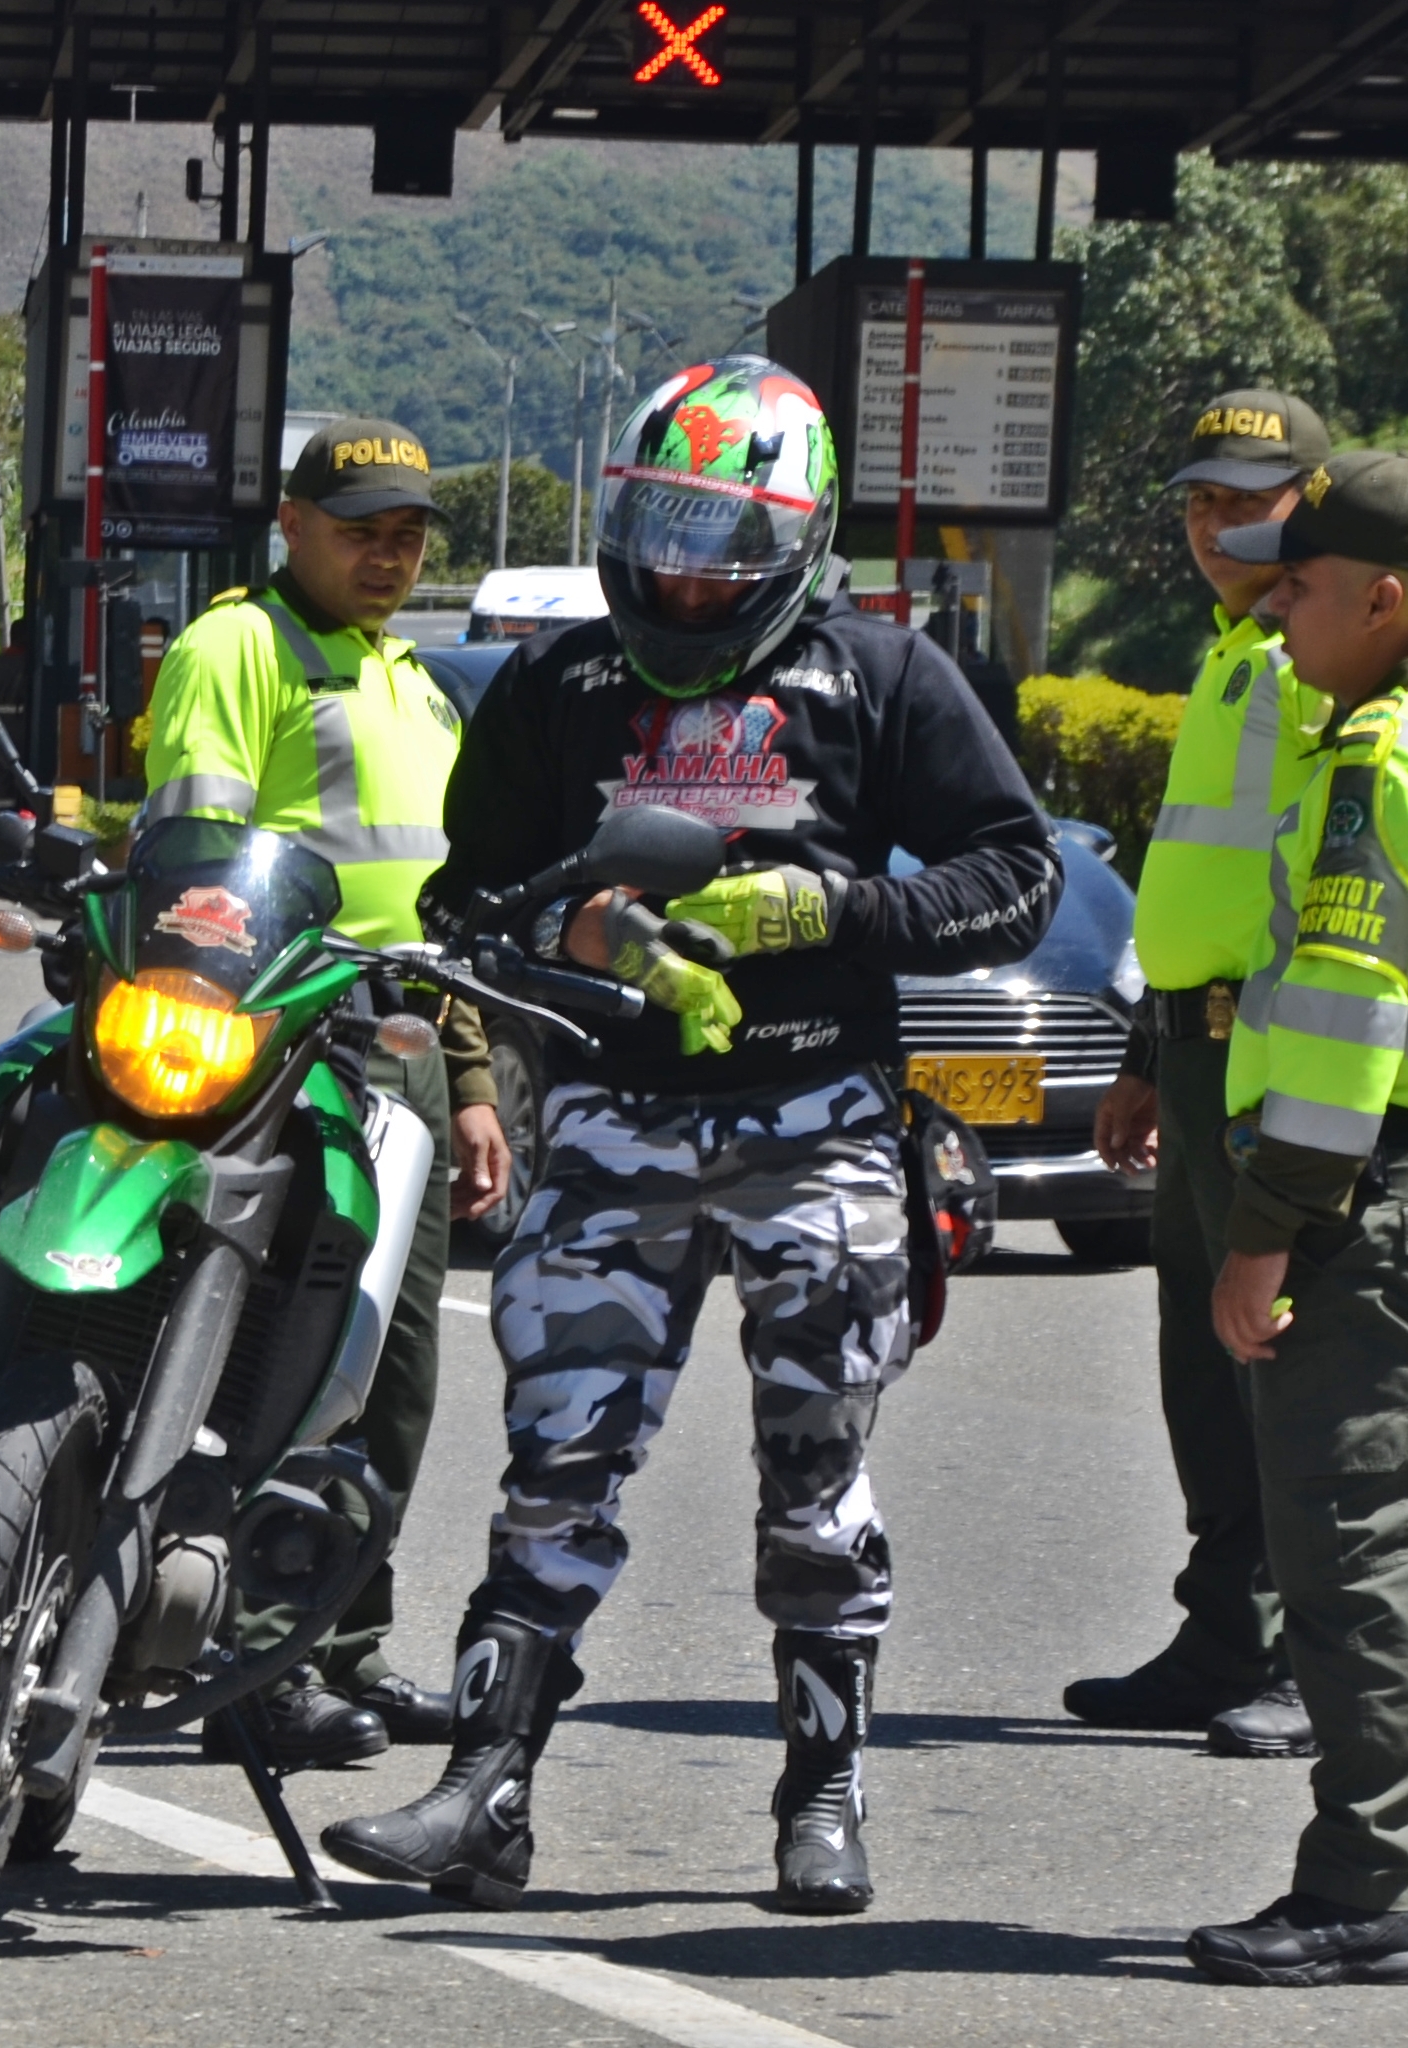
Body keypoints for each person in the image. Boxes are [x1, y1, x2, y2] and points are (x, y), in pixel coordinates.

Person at [325, 357, 1059, 1916]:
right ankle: (482, 1788)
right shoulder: (560, 684)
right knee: (556, 1462)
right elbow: (463, 908)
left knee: (817, 1479)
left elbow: (1018, 875)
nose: (685, 568)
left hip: (822, 1123)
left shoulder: (884, 676)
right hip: (611, 1118)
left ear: (800, 537)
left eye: (723, 538)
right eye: (661, 526)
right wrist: (588, 942)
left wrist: (842, 909)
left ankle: (822, 1793)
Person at [1184, 452, 1408, 1985]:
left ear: (1386, 601)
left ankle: (1359, 1888)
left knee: (1351, 1550)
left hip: (1374, 1189)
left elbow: (1339, 1020)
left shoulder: (1381, 758)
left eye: (1301, 587)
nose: (1274, 611)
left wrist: (1263, 1228)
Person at [138, 418, 509, 1768]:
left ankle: (334, 1642)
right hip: (281, 1049)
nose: (388, 551)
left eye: (408, 530)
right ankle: (242, 1653)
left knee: (386, 1373)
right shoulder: (240, 647)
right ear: (288, 524)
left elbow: (438, 918)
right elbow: (190, 858)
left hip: (401, 1051)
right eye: (359, 526)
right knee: (278, 1359)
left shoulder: (410, 682)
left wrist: (468, 1080)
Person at [1069, 388, 1333, 1759]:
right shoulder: (1240, 652)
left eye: (1248, 496)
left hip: (1271, 1056)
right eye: (1197, 500)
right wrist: (1139, 1050)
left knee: (1269, 1356)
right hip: (1191, 1046)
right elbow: (1199, 884)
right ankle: (1223, 1628)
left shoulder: (1319, 661)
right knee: (1195, 1357)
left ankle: (1300, 1649)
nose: (1214, 522)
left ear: (1314, 498)